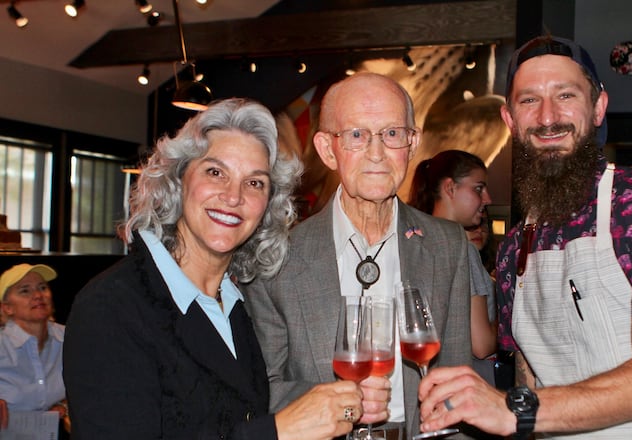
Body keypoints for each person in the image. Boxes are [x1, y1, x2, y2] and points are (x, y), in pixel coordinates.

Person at [415, 35, 632, 439]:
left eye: (565, 95)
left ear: (598, 107)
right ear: (509, 120)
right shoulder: (515, 247)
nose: (547, 117)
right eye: (529, 100)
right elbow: (529, 377)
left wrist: (514, 411)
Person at [63, 98, 365, 440]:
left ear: (268, 206)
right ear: (179, 180)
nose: (233, 196)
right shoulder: (111, 307)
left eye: (255, 183)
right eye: (215, 172)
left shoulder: (238, 302)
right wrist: (277, 432)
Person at [242, 72, 473, 440]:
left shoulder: (447, 245)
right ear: (326, 149)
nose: (377, 153)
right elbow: (260, 388)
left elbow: (458, 384)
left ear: (412, 144)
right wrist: (339, 403)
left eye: (393, 133)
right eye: (356, 135)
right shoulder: (276, 257)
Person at [408, 149, 497, 385]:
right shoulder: (461, 250)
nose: (487, 198)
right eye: (478, 188)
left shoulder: (415, 242)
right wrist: (511, 316)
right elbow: (481, 344)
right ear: (450, 188)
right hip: (466, 386)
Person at [0, 263, 69, 433]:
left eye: (42, 287)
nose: (38, 295)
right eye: (25, 290)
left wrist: (65, 405)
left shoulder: (71, 338)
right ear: (7, 308)